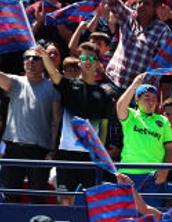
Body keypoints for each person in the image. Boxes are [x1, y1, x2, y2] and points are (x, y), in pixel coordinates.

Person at [42, 42, 115, 203]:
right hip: (66, 155)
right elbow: (54, 74)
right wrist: (44, 56)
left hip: (90, 157)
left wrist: (100, 154)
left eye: (92, 58)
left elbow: (104, 126)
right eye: (84, 57)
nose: (88, 61)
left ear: (97, 63)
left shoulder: (104, 94)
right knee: (65, 201)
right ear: (79, 61)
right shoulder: (68, 85)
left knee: (92, 202)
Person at [0, 46, 60, 202]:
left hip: (40, 152)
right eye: (27, 57)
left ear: (44, 62)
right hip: (13, 150)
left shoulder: (53, 88)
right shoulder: (14, 82)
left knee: (38, 199)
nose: (30, 61)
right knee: (10, 198)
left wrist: (52, 151)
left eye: (36, 58)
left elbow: (55, 122)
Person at [116, 74, 172, 197]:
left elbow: (170, 148)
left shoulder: (163, 120)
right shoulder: (131, 116)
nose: (151, 102)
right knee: (129, 214)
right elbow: (120, 107)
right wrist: (135, 84)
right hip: (128, 174)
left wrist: (165, 170)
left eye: (154, 99)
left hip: (153, 175)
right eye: (147, 98)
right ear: (137, 100)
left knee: (152, 213)